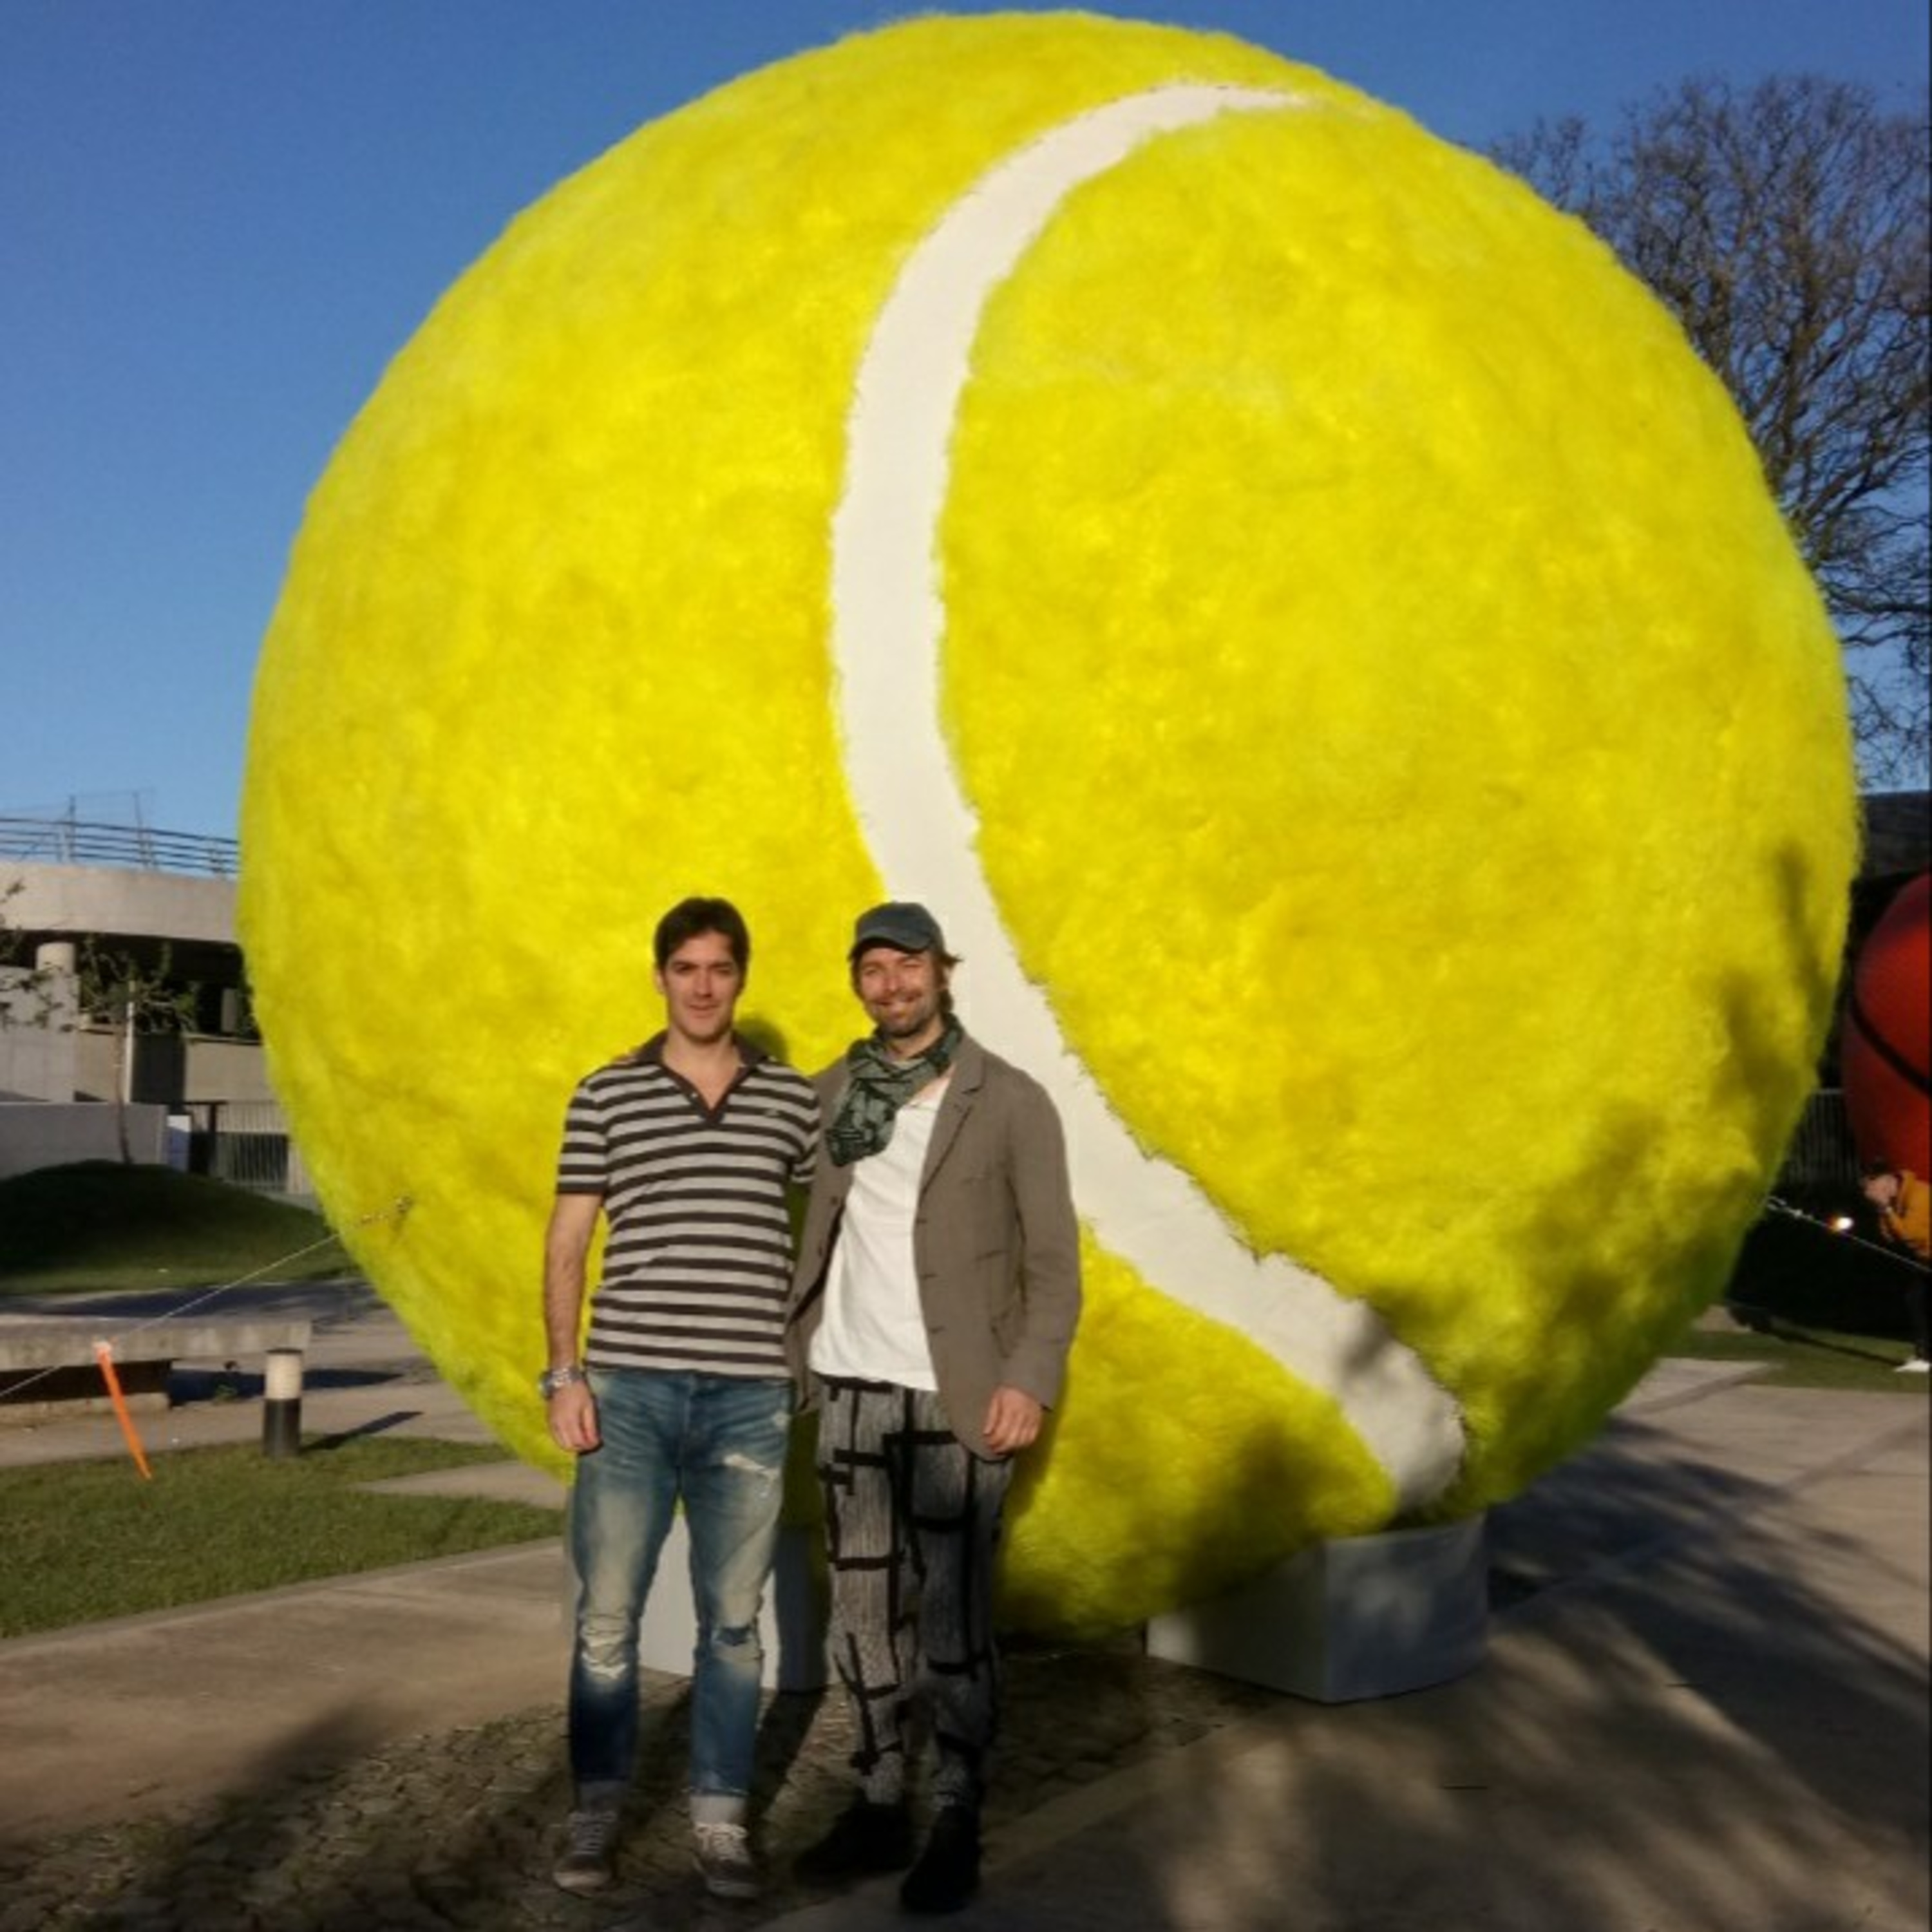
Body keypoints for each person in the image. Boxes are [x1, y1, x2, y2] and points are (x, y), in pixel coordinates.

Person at [788, 901, 1081, 1915]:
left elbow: (1053, 1265)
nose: (891, 985)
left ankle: (957, 1810)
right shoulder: (832, 1096)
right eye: (871, 968)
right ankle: (879, 1798)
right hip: (851, 1391)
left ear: (943, 972)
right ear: (858, 982)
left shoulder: (1010, 1101)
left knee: (954, 1625)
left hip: (958, 1404)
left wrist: (1028, 1378)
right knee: (861, 1616)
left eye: (908, 966)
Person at [542, 896, 819, 1899]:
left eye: (722, 969)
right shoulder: (606, 1094)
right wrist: (564, 1374)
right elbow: (570, 1240)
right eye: (687, 968)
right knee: (607, 1619)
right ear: (659, 975)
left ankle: (720, 1818)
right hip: (630, 1390)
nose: (704, 986)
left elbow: (838, 1222)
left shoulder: (792, 1103)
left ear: (742, 977)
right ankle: (597, 1812)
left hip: (748, 1395)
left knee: (734, 1625)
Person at [1859, 1163, 1930, 1373]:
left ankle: (1924, 1356)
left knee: (1919, 1301)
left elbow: (1910, 1235)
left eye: (1871, 1186)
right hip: (1925, 1259)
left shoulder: (1920, 1194)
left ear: (1888, 1180)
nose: (1868, 1193)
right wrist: (1884, 1209)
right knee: (1917, 1300)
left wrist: (1887, 1209)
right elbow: (1890, 1237)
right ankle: (1923, 1356)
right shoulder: (1896, 1199)